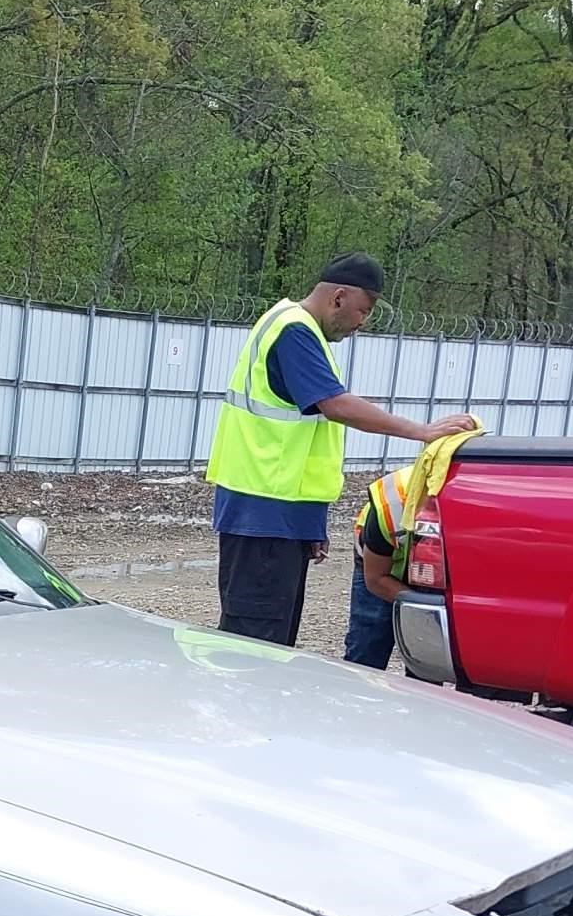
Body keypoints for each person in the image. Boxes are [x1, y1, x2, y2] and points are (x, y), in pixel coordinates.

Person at [205, 254, 479, 647]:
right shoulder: (295, 331)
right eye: (363, 311)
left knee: (271, 638)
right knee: (253, 644)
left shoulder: (290, 325)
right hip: (264, 512)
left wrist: (310, 524)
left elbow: (306, 437)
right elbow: (336, 405)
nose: (362, 323)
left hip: (276, 515)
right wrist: (422, 431)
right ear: (338, 297)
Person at [343, 423, 479, 669]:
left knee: (428, 660)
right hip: (385, 565)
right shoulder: (392, 503)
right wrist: (423, 610)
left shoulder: (478, 507)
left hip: (431, 572)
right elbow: (375, 580)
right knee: (368, 643)